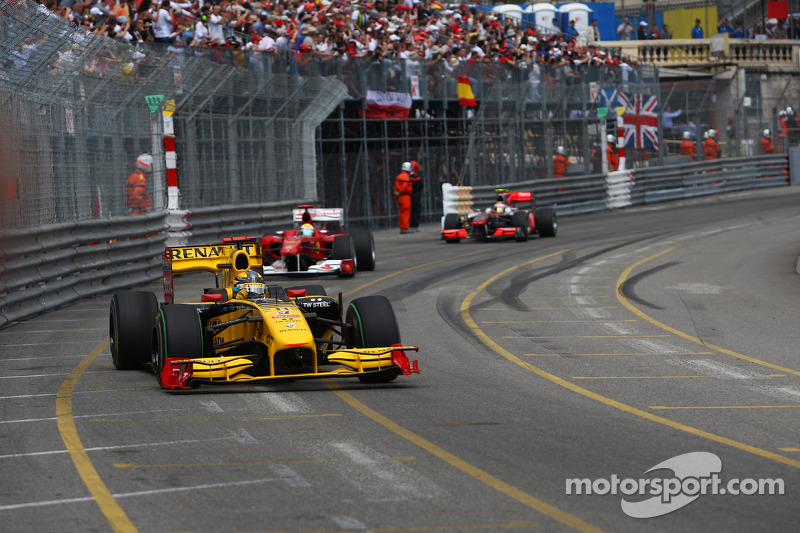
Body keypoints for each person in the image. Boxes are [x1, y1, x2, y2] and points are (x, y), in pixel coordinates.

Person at [393, 161, 414, 234]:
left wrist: (397, 192)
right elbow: (405, 186)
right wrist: (401, 191)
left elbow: (395, 186)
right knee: (406, 212)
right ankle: (405, 227)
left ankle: (402, 227)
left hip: (399, 196)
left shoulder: (399, 175)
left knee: (401, 212)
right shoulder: (406, 176)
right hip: (405, 196)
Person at [408, 160, 423, 232]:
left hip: (408, 195)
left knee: (409, 211)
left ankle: (409, 225)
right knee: (415, 210)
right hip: (415, 195)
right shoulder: (416, 176)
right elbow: (420, 185)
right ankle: (415, 225)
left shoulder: (405, 176)